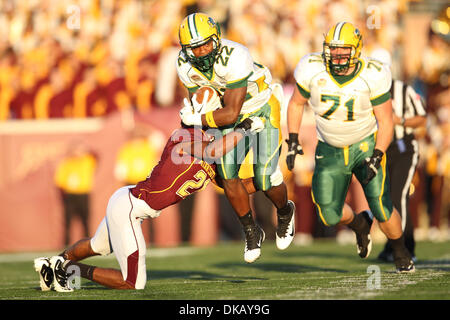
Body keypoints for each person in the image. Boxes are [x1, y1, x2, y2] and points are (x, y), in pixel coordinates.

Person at [34, 114, 264, 291]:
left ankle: (55, 263)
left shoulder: (210, 158)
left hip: (129, 202)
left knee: (99, 246)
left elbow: (234, 188)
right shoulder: (183, 139)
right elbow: (215, 148)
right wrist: (243, 129)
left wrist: (264, 180)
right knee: (133, 283)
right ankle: (65, 268)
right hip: (130, 207)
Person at [285, 21, 415, 273]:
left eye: (343, 50)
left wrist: (378, 154)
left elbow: (386, 120)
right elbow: (296, 103)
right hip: (330, 149)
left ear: (356, 50)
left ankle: (400, 250)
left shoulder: (373, 73)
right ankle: (359, 224)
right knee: (329, 214)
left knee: (381, 205)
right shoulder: (312, 67)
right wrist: (292, 139)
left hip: (365, 145)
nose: (336, 55)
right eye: (332, 49)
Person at [177, 13, 295, 264]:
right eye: (194, 48)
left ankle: (285, 212)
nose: (201, 52)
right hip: (224, 115)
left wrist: (196, 120)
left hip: (260, 108)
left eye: (206, 44)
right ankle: (251, 231)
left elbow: (231, 112)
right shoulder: (184, 65)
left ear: (217, 38)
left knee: (264, 177)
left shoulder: (236, 55)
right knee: (227, 179)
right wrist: (202, 122)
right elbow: (204, 105)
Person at [378, 78, 427, 262]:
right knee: (387, 198)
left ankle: (402, 248)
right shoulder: (364, 88)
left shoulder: (403, 90)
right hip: (381, 150)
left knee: (399, 196)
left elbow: (422, 117)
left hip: (403, 148)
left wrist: (399, 120)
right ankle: (395, 245)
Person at [54, 143, 97, 246]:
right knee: (68, 222)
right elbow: (59, 181)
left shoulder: (87, 161)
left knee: (85, 221)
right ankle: (66, 244)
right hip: (70, 195)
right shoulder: (66, 163)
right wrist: (63, 197)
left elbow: (96, 155)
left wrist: (85, 149)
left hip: (83, 194)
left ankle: (88, 243)